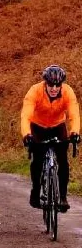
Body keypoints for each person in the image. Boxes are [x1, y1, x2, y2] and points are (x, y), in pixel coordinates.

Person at [21, 64, 80, 212]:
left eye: (57, 85)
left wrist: (75, 132)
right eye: (51, 85)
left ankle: (63, 197)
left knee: (63, 161)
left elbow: (74, 114)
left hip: (58, 126)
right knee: (38, 160)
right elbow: (26, 115)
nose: (54, 88)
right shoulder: (34, 91)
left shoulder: (68, 92)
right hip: (38, 126)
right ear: (45, 83)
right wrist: (27, 134)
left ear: (61, 84)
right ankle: (35, 191)